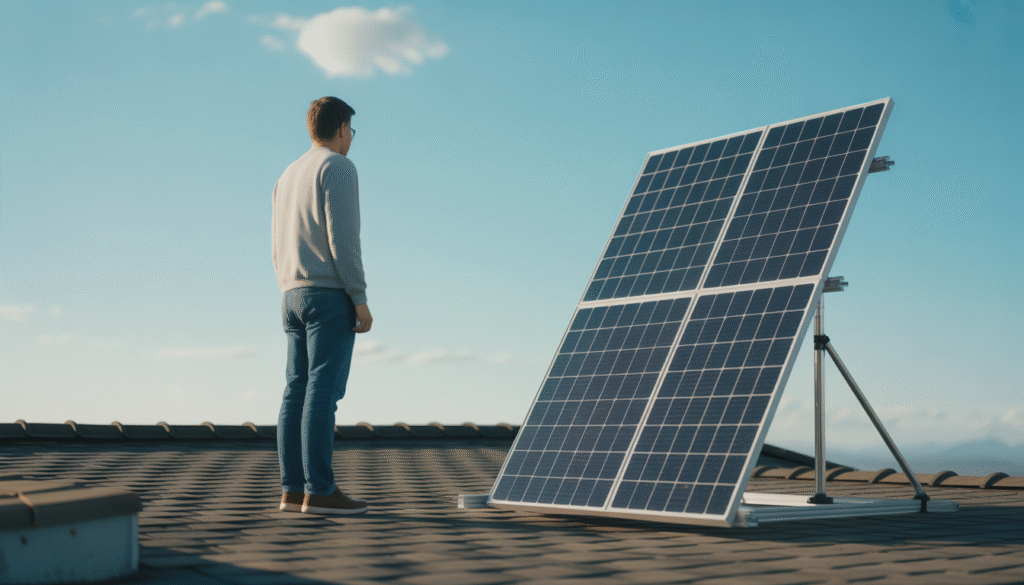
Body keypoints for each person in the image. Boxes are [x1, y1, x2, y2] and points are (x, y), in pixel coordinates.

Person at [271, 96, 373, 515]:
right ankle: (320, 490)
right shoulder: (338, 167)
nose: (351, 139)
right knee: (322, 391)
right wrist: (359, 298)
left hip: (291, 293)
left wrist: (288, 286)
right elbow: (343, 239)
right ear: (342, 128)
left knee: (296, 389)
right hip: (328, 294)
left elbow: (276, 244)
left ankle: (293, 490)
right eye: (352, 131)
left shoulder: (286, 175)